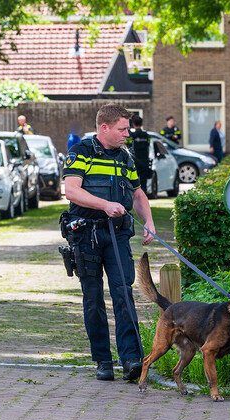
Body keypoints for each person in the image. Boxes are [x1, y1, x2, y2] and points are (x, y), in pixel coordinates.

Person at [63, 104, 156, 382]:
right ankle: (103, 360)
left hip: (118, 234)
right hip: (87, 236)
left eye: (127, 129)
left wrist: (149, 222)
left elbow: (137, 194)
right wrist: (105, 204)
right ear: (104, 127)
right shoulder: (81, 152)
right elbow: (71, 190)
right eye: (122, 129)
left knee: (123, 293)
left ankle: (131, 360)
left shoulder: (125, 157)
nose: (128, 133)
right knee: (93, 299)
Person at [127, 115, 152, 193]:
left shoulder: (132, 136)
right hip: (145, 161)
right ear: (141, 124)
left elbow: (128, 145)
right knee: (143, 182)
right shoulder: (147, 135)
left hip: (135, 161)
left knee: (133, 182)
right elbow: (148, 145)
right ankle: (144, 197)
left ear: (133, 124)